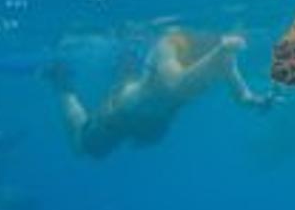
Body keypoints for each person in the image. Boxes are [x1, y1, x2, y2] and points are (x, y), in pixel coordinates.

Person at [46, 27, 271, 158]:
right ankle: (63, 81)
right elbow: (174, 86)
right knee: (82, 146)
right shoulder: (171, 43)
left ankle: (126, 55)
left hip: (149, 121)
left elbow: (241, 96)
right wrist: (220, 51)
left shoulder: (224, 59)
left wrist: (258, 101)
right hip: (122, 114)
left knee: (131, 74)